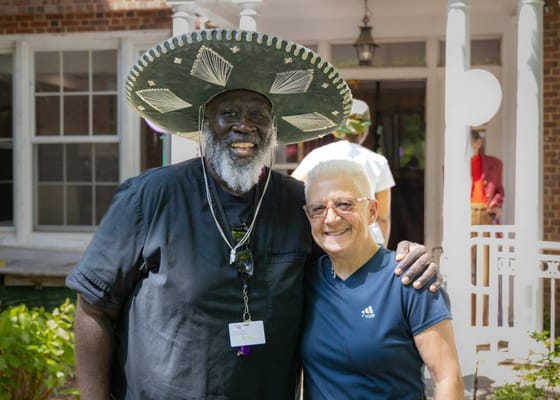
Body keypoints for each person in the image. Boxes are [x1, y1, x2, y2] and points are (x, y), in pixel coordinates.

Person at [66, 29, 441, 400]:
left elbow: (352, 264)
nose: (244, 126)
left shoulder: (298, 204)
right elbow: (94, 308)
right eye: (228, 113)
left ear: (273, 129)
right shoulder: (149, 197)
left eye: (258, 115)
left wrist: (407, 258)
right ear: (203, 124)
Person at [300, 159, 463, 399]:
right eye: (318, 208)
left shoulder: (410, 277)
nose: (331, 219)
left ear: (372, 211)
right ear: (308, 215)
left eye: (345, 205)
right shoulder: (306, 280)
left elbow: (447, 377)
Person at [291, 99, 394, 246]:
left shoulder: (317, 156)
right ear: (365, 129)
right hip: (368, 241)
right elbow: (383, 216)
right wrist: (383, 251)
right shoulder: (377, 161)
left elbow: (292, 189)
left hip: (330, 237)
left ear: (336, 128)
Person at [470, 128, 505, 326]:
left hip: (485, 215)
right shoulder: (455, 165)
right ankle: (468, 320)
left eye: (473, 141)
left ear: (479, 142)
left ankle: (484, 323)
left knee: (486, 273)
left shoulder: (494, 164)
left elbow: (499, 191)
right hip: (465, 215)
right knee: (466, 272)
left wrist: (497, 203)